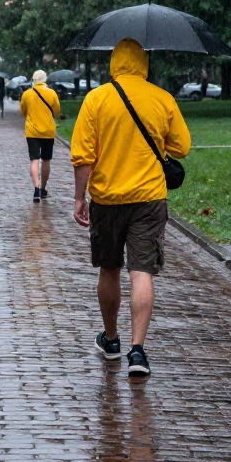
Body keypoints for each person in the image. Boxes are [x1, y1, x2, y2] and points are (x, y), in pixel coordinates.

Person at [70, 38, 191, 378]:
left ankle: (111, 341)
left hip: (107, 199)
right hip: (150, 198)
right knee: (142, 272)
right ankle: (138, 352)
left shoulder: (96, 99)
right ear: (143, 63)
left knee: (109, 270)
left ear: (114, 62)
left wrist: (80, 198)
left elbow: (83, 156)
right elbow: (182, 146)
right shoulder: (162, 98)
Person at [18, 69, 61, 203]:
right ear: (45, 80)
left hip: (32, 131)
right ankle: (43, 188)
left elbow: (23, 111)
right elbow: (57, 111)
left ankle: (36, 189)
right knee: (46, 160)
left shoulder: (27, 94)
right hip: (48, 131)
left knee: (34, 160)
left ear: (33, 80)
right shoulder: (52, 93)